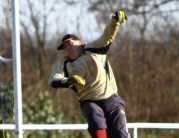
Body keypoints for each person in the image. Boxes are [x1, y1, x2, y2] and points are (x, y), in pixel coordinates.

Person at [48, 10, 130, 138]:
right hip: (89, 100)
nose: (67, 48)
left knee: (119, 134)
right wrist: (68, 81)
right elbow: (53, 80)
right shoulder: (64, 64)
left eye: (70, 43)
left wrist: (114, 21)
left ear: (80, 42)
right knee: (94, 116)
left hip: (111, 98)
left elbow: (107, 36)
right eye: (64, 47)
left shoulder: (93, 49)